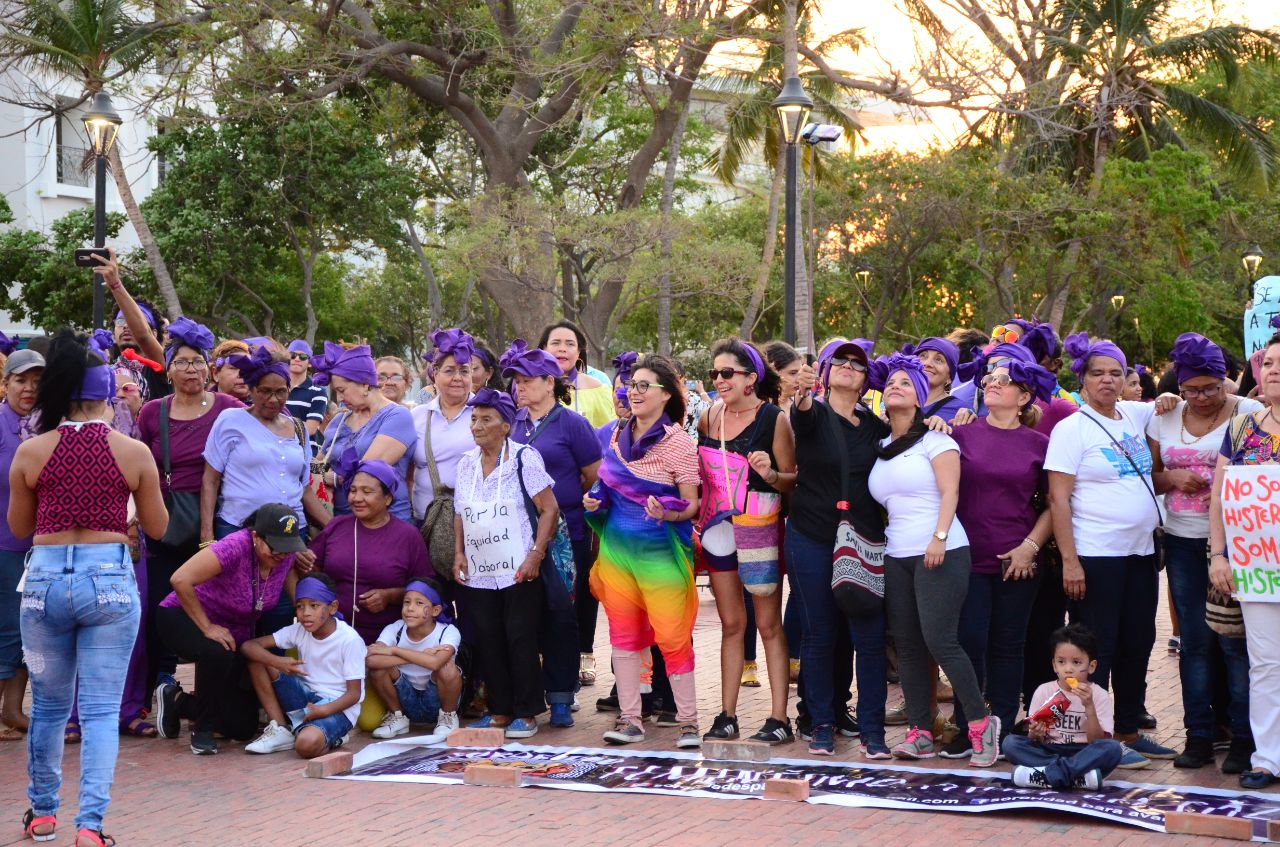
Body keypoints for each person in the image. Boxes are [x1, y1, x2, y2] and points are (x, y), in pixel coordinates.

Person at [12, 331, 167, 846]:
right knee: (100, 711)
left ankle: (41, 814)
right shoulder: (132, 450)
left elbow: (18, 528)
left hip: (44, 581)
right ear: (107, 396)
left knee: (51, 708)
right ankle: (90, 827)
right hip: (109, 580)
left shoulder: (32, 451)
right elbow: (159, 528)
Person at [1045, 332, 1176, 768]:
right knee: (1099, 645)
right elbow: (1057, 500)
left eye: (1115, 373)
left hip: (1140, 553)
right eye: (1097, 373)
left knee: (1139, 641)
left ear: (1126, 378)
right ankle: (1090, 732)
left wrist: (1170, 397)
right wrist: (1070, 561)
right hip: (1095, 556)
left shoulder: (1135, 415)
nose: (1106, 380)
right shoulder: (1071, 428)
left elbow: (1172, 403)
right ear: (1082, 380)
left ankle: (1128, 731)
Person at [867, 352, 1000, 767]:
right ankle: (921, 730)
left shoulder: (937, 439)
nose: (895, 387)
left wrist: (939, 537)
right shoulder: (882, 446)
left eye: (906, 383)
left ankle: (980, 724)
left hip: (940, 549)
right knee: (907, 645)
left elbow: (951, 493)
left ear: (921, 397)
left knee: (941, 640)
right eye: (891, 383)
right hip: (897, 553)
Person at [1148, 333, 1259, 773]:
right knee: (1194, 642)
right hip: (1181, 539)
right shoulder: (1165, 415)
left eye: (1211, 388)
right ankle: (1198, 735)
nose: (1201, 398)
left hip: (1236, 544)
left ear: (1225, 380)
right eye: (1192, 389)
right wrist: (1172, 478)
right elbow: (1150, 476)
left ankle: (1243, 740)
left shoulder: (1248, 414)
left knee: (1235, 644)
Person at [585, 355, 702, 749]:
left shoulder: (680, 443)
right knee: (623, 636)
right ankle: (631, 718)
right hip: (617, 554)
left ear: (666, 394)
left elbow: (692, 505)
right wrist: (594, 501)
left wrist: (667, 511)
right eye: (630, 384)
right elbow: (605, 488)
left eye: (642, 385)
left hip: (660, 556)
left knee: (672, 637)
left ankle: (688, 722)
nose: (632, 392)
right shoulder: (611, 437)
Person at [947, 352, 1056, 758]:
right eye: (989, 378)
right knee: (969, 641)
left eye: (1004, 380)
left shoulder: (1040, 444)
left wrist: (1030, 547)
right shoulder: (961, 435)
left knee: (1009, 644)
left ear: (1025, 396)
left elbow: (1054, 504)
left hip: (1019, 560)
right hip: (966, 556)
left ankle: (1005, 725)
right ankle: (969, 726)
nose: (992, 383)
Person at [787, 339, 890, 758]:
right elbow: (803, 415)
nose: (849, 367)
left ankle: (872, 730)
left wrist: (939, 423)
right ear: (826, 373)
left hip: (863, 540)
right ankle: (822, 724)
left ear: (867, 380)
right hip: (812, 535)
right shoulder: (814, 414)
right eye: (840, 362)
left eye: (857, 364)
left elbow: (907, 438)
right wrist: (804, 395)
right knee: (819, 633)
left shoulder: (875, 428)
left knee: (867, 636)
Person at [136, 318, 244, 700]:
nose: (191, 369)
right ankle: (162, 683)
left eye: (198, 361)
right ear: (168, 368)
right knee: (159, 606)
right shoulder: (152, 412)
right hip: (167, 521)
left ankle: (210, 691)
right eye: (182, 362)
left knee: (214, 606)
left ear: (209, 368)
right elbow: (139, 467)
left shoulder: (229, 407)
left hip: (215, 521)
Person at [697, 337, 796, 745]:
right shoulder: (708, 418)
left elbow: (793, 478)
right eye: (714, 373)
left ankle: (778, 718)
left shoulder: (774, 419)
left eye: (727, 373)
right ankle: (726, 714)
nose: (719, 380)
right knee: (731, 623)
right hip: (719, 528)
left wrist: (772, 474)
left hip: (760, 525)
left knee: (768, 624)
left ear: (751, 378)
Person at [155, 503, 311, 755]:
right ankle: (202, 731)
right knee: (218, 651)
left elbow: (296, 596)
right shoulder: (235, 545)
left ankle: (177, 700)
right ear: (255, 537)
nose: (281, 555)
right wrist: (207, 627)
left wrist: (315, 619)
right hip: (183, 616)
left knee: (242, 726)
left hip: (233, 632)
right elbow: (180, 579)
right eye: (275, 547)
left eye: (288, 547)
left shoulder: (284, 555)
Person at [451, 388, 559, 739]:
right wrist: (459, 553)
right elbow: (459, 513)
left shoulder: (524, 458)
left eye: (486, 419)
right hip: (481, 569)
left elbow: (549, 508)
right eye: (473, 419)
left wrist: (535, 554)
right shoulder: (466, 463)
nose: (477, 426)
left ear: (506, 426)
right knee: (488, 637)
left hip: (518, 567)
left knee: (520, 637)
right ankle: (500, 709)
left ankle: (527, 712)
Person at [505, 340, 601, 726]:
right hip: (513, 532)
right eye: (516, 381)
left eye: (528, 381)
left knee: (562, 611)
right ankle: (527, 694)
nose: (520, 388)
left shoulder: (572, 423)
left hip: (566, 534)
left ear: (550, 382)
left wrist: (565, 506)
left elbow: (594, 476)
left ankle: (561, 695)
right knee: (523, 615)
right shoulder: (511, 422)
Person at [309, 459, 431, 730]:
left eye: (367, 491)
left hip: (378, 648)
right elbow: (311, 571)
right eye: (353, 490)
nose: (357, 498)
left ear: (388, 498)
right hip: (334, 643)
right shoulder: (337, 527)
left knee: (370, 721)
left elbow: (426, 590)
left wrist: (391, 596)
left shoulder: (408, 536)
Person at [1208, 331, 1280, 789]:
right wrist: (1219, 554)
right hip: (1256, 567)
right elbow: (1218, 495)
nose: (1274, 370)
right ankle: (1268, 757)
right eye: (1268, 363)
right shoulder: (1242, 428)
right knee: (1265, 663)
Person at [200, 346, 327, 545]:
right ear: (251, 389)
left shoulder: (298, 428)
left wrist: (334, 527)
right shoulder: (231, 420)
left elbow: (304, 489)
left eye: (281, 392)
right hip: (239, 529)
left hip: (291, 533)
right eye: (265, 391)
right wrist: (207, 536)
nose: (273, 399)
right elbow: (210, 481)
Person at [241, 573, 366, 758]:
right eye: (300, 606)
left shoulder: (350, 640)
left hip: (337, 707)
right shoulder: (299, 630)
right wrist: (276, 661)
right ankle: (281, 729)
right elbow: (248, 646)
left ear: (333, 607)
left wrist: (324, 710)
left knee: (305, 746)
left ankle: (331, 737)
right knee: (258, 657)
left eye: (314, 606)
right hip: (304, 697)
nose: (305, 613)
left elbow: (354, 694)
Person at [1003, 624, 1125, 790]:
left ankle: (1045, 775)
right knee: (1010, 744)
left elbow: (1096, 741)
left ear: (1091, 666)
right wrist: (1035, 733)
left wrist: (1089, 706)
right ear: (1054, 665)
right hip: (1050, 749)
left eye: (1076, 662)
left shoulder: (1098, 694)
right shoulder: (1044, 691)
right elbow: (1035, 737)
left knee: (1113, 749)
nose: (1068, 669)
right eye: (1061, 662)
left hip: (1083, 751)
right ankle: (1077, 776)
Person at [314, 342, 417, 522]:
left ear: (365, 385)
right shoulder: (340, 420)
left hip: (386, 523)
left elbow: (368, 472)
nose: (339, 399)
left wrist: (334, 478)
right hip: (342, 521)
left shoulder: (397, 416)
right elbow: (318, 464)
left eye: (341, 390)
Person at [0, 347, 42, 739]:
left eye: (36, 380)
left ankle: (12, 709)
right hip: (3, 545)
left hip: (40, 545)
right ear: (5, 383)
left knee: (28, 629)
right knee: (6, 628)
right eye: (21, 380)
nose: (29, 388)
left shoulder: (47, 425)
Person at [367, 579, 463, 743]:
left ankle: (448, 717)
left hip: (437, 700)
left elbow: (435, 663)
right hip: (404, 697)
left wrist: (393, 650)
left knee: (447, 667)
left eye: (419, 603)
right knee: (378, 668)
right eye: (406, 602)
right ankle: (398, 718)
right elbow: (372, 660)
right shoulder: (395, 629)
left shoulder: (448, 631)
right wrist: (418, 657)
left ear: (435, 610)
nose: (410, 608)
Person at [410, 329, 475, 550]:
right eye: (450, 371)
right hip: (424, 522)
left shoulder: (486, 413)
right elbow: (409, 473)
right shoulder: (417, 416)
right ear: (435, 373)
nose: (458, 378)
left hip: (474, 524)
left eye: (464, 371)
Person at [538, 321, 615, 427]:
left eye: (570, 344)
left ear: (579, 351)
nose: (562, 349)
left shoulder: (595, 388)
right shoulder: (530, 384)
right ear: (544, 348)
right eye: (555, 343)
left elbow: (609, 434)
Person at [908, 337, 969, 421]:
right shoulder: (898, 400)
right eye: (923, 356)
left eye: (939, 360)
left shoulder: (960, 412)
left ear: (949, 377)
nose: (927, 363)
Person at [285, 340, 328, 438]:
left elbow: (310, 429)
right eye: (293, 355)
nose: (297, 359)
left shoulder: (318, 392)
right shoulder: (277, 388)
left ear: (310, 363)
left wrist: (275, 429)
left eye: (303, 357)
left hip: (303, 451)